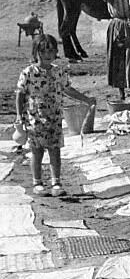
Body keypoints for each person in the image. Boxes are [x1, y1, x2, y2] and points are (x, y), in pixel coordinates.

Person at [15, 34, 95, 196]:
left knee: (55, 150)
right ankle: (37, 182)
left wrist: (86, 99)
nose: (47, 55)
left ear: (55, 52)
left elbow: (67, 89)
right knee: (36, 151)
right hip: (34, 118)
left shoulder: (58, 72)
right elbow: (20, 94)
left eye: (51, 51)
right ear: (36, 53)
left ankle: (56, 182)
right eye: (43, 51)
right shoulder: (28, 73)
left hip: (54, 118)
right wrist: (18, 115)